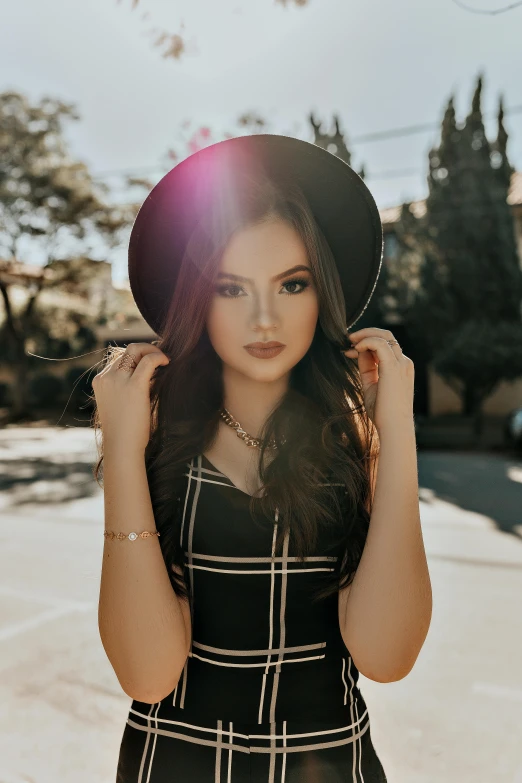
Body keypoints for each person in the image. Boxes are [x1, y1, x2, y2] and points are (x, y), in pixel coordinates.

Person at [93, 134, 432, 783]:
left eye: (292, 283)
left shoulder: (349, 446)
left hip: (330, 762)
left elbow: (386, 654)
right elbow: (146, 673)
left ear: (321, 292)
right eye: (231, 288)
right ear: (199, 297)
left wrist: (393, 431)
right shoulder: (162, 441)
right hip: (178, 763)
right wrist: (124, 453)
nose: (266, 317)